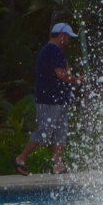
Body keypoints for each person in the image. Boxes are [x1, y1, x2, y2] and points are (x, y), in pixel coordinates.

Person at [14, 22, 85, 175]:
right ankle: (21, 158)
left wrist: (71, 76)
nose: (69, 41)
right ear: (61, 36)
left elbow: (64, 72)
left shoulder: (54, 51)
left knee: (60, 132)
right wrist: (78, 80)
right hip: (49, 100)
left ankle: (58, 164)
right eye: (68, 38)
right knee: (44, 132)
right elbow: (62, 75)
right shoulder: (53, 51)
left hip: (58, 100)